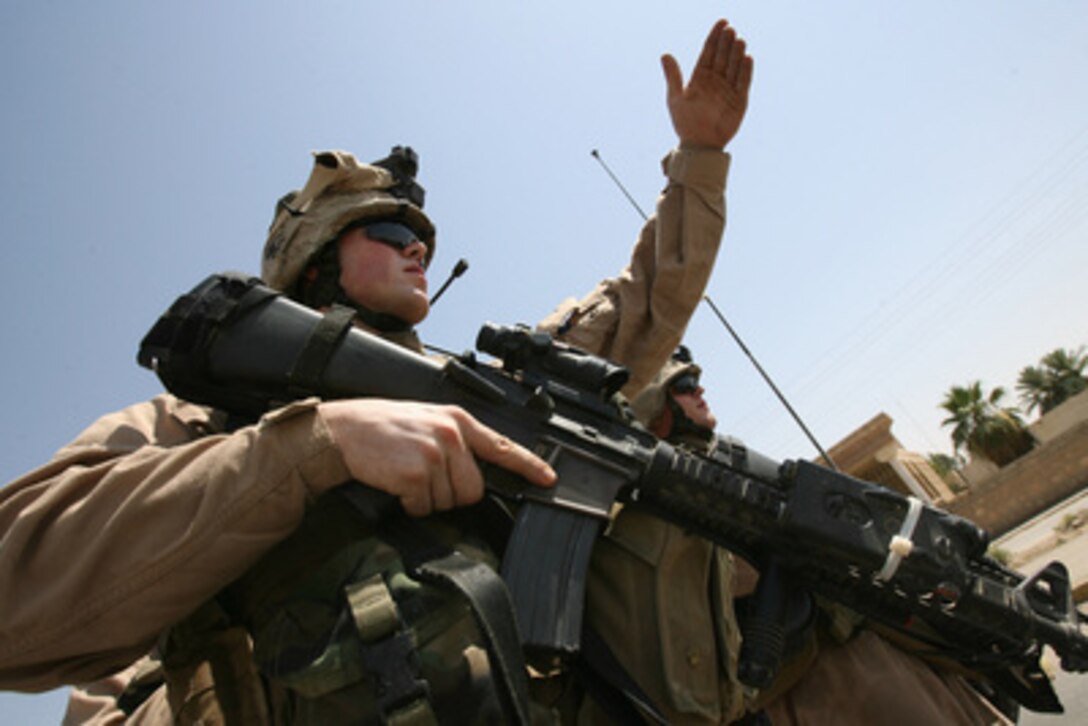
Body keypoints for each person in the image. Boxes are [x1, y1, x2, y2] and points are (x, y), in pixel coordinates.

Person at [0, 18, 753, 724]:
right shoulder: (195, 429)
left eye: (422, 237)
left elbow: (638, 308)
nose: (417, 248)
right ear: (314, 266)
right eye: (390, 232)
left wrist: (699, 160)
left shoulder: (480, 394)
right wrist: (312, 448)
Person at [585, 348, 1012, 725]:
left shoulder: (733, 476)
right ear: (654, 412)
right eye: (684, 386)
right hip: (818, 682)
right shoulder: (659, 517)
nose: (700, 391)